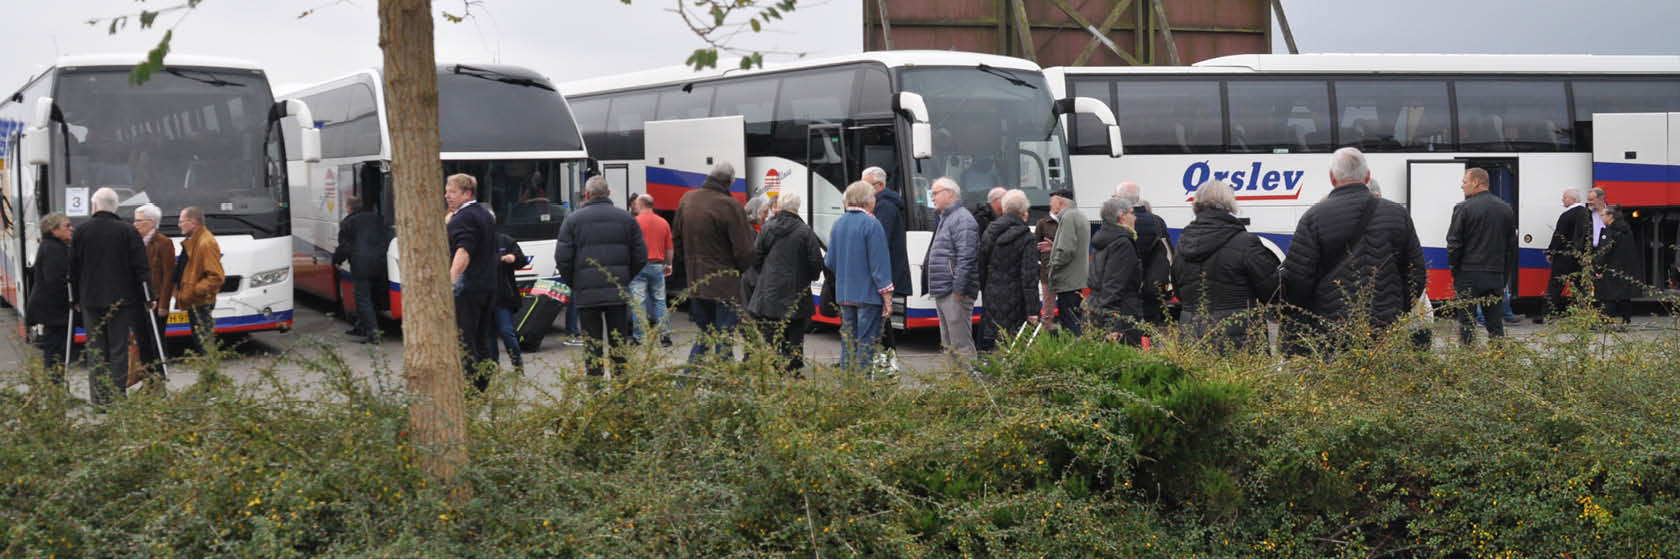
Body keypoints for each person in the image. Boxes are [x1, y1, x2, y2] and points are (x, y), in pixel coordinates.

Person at [1279, 148, 1427, 354]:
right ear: (1367, 176)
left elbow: (1297, 280)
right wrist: (1396, 310)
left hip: (1332, 330)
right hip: (1385, 328)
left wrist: (1316, 315)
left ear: (1332, 178)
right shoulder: (1397, 214)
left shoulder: (1313, 217)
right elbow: (1416, 273)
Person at [554, 176, 647, 379]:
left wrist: (575, 282)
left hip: (587, 295)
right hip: (617, 292)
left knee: (592, 346)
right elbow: (641, 256)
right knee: (618, 344)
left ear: (586, 195)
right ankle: (621, 390)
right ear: (609, 193)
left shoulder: (572, 220)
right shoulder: (626, 219)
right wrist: (624, 278)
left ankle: (595, 391)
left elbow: (562, 258)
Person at [1172, 179, 1280, 351]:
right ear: (1229, 204)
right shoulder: (1245, 242)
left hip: (1192, 333)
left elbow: (1180, 291)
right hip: (1239, 336)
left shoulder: (1182, 243)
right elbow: (1272, 290)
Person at [69, 188, 150, 406]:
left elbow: (73, 268)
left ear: (94, 206)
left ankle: (99, 399)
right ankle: (117, 398)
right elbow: (141, 267)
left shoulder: (80, 232)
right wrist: (147, 297)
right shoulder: (128, 232)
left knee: (96, 349)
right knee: (118, 349)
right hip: (122, 301)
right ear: (115, 207)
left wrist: (74, 298)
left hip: (90, 300)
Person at [673, 161, 755, 364]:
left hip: (697, 282)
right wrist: (739, 270)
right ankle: (724, 382)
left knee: (706, 334)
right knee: (724, 336)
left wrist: (691, 266)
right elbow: (745, 250)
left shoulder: (687, 199)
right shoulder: (730, 205)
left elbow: (677, 240)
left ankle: (688, 380)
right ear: (731, 181)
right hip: (725, 285)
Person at [745, 191, 824, 372]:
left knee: (771, 332)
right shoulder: (805, 231)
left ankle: (772, 368)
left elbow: (755, 258)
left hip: (770, 292)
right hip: (796, 291)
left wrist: (766, 275)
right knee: (795, 334)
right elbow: (816, 262)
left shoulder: (768, 228)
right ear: (797, 207)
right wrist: (810, 277)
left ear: (780, 206)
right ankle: (794, 368)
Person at [826, 181, 894, 374]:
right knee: (866, 343)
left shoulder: (838, 224)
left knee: (848, 343)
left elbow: (830, 261)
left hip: (845, 294)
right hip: (868, 295)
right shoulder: (872, 224)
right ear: (866, 200)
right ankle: (862, 389)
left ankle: (848, 387)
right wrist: (887, 297)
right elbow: (879, 265)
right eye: (873, 197)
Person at [1447, 167, 1517, 345]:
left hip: (1468, 274)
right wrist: (1503, 278)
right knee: (1495, 325)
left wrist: (1456, 271)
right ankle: (1498, 358)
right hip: (1495, 276)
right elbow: (1511, 249)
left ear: (1476, 182)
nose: (1462, 186)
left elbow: (1454, 244)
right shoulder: (1506, 209)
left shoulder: (1463, 208)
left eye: (1464, 181)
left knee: (1467, 324)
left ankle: (1469, 363)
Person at [444, 173, 498, 389]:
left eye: (452, 192)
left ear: (467, 194)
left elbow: (464, 251)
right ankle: (483, 384)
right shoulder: (485, 214)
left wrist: (449, 281)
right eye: (446, 191)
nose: (447, 195)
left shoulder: (463, 218)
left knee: (465, 340)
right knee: (481, 339)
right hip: (488, 285)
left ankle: (472, 388)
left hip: (468, 287)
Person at [922, 177, 980, 359]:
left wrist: (958, 290)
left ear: (950, 193)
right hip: (945, 290)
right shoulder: (946, 218)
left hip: (954, 292)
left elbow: (967, 257)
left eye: (935, 193)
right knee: (949, 345)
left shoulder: (962, 219)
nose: (932, 198)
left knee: (960, 345)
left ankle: (968, 384)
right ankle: (955, 384)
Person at [976, 190, 1039, 351]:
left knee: (994, 342)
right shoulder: (1027, 238)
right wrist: (1033, 310)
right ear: (1024, 212)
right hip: (1017, 300)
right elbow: (1029, 276)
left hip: (992, 295)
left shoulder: (990, 231)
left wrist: (986, 289)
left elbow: (981, 265)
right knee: (1014, 344)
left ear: (1003, 209)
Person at [865, 166, 911, 359]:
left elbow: (878, 240)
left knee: (881, 317)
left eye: (866, 185)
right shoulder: (885, 204)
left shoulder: (884, 206)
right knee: (881, 318)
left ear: (879, 185)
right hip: (885, 271)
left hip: (883, 272)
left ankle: (887, 358)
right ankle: (886, 358)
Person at [1116, 181, 1173, 324]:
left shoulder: (1118, 222)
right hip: (1152, 287)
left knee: (1128, 332)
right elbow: (1168, 253)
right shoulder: (1158, 221)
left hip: (1127, 290)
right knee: (1150, 328)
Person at [1087, 198, 1142, 344]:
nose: (1135, 217)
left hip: (1096, 306)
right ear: (1122, 216)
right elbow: (1114, 284)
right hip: (1121, 312)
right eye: (1132, 213)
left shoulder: (1103, 238)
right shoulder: (1122, 243)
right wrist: (1113, 324)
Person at [333, 195, 387, 342]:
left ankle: (374, 335)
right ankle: (361, 326)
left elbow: (345, 247)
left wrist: (337, 261)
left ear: (348, 207)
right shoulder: (376, 218)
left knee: (363, 299)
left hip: (361, 265)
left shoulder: (347, 223)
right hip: (380, 263)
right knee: (372, 297)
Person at [174, 206, 225, 358]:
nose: (179, 225)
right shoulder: (195, 241)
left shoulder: (205, 242)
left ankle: (211, 378)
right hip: (196, 301)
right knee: (201, 342)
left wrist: (195, 290)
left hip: (201, 301)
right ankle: (209, 377)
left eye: (181, 221)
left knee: (205, 344)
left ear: (193, 222)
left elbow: (216, 276)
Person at [132, 203, 175, 386]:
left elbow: (168, 275)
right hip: (138, 300)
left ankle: (159, 380)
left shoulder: (163, 242)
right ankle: (147, 379)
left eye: (139, 221)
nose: (135, 224)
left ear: (152, 222)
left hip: (156, 301)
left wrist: (164, 303)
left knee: (156, 341)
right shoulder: (134, 241)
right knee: (142, 341)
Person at [26, 213, 72, 375]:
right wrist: (70, 303)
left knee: (55, 352)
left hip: (52, 310)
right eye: (67, 226)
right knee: (55, 353)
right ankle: (55, 392)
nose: (71, 229)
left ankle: (56, 390)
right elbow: (56, 282)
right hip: (54, 312)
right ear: (54, 230)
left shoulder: (52, 245)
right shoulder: (53, 248)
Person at [1536, 188, 1591, 322]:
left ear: (1573, 199)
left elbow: (1559, 236)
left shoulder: (1566, 215)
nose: (1562, 199)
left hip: (1563, 257)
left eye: (1565, 197)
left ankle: (1546, 314)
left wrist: (1550, 251)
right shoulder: (1586, 213)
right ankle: (1583, 315)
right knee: (1578, 286)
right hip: (1579, 257)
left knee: (1555, 286)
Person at [1039, 189, 1089, 334]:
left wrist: (1053, 266)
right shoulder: (1079, 215)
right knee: (1076, 320)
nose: (1050, 204)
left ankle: (1072, 353)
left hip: (1067, 281)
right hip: (1077, 280)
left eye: (1052, 201)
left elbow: (1066, 250)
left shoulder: (1068, 217)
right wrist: (1054, 247)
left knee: (1069, 325)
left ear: (1060, 201)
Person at [629, 194, 674, 347]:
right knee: (660, 300)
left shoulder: (634, 223)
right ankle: (665, 336)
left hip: (638, 267)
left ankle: (639, 337)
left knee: (638, 302)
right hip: (657, 266)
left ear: (640, 205)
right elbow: (669, 248)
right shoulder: (663, 222)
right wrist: (669, 265)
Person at [485, 232, 527, 371]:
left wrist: (514, 258)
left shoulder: (505, 240)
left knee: (506, 331)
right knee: (488, 335)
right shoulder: (474, 240)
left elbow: (522, 260)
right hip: (482, 296)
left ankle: (517, 363)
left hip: (503, 296)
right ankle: (493, 366)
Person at [1593, 206, 1639, 327]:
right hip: (1625, 267)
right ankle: (1626, 320)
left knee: (1608, 295)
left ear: (1610, 216)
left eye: (1603, 215)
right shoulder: (1626, 229)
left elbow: (1604, 252)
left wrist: (1598, 268)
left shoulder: (1609, 231)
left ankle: (1605, 321)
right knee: (1625, 295)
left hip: (1611, 267)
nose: (1601, 217)